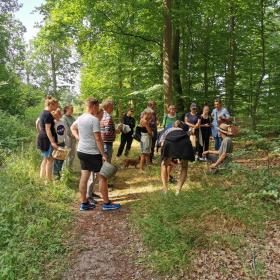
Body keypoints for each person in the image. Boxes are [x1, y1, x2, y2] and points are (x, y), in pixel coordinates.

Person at [71, 98, 120, 211]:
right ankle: (107, 203)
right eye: (98, 107)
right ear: (93, 106)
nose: (98, 109)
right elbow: (98, 138)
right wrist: (103, 154)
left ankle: (84, 203)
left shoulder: (80, 117)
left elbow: (72, 128)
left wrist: (79, 139)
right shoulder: (93, 120)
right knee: (103, 177)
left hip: (81, 151)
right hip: (92, 152)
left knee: (84, 176)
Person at [160, 120, 195, 195]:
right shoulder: (184, 131)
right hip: (185, 143)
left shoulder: (167, 130)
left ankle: (165, 189)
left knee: (164, 165)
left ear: (173, 126)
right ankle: (178, 190)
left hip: (169, 143)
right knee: (184, 167)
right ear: (181, 127)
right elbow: (192, 138)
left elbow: (162, 143)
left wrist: (167, 157)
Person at [37, 96, 59, 181]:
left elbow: (38, 124)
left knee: (45, 159)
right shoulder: (48, 114)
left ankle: (42, 179)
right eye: (56, 105)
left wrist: (40, 133)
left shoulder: (43, 113)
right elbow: (48, 129)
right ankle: (49, 181)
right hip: (47, 140)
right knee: (50, 160)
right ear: (52, 104)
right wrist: (53, 142)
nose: (57, 107)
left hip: (43, 138)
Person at [100, 99, 122, 163]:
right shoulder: (108, 117)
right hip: (106, 143)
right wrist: (117, 130)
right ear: (108, 107)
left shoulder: (101, 115)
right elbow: (108, 132)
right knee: (106, 163)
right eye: (112, 106)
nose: (113, 108)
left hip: (101, 142)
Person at [53, 108, 66, 179]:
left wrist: (65, 141)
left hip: (62, 143)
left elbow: (65, 132)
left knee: (61, 159)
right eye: (57, 114)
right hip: (56, 144)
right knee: (56, 160)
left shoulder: (62, 122)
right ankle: (56, 175)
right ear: (55, 115)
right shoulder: (53, 122)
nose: (59, 115)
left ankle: (59, 173)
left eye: (60, 114)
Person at [62, 105, 76, 170]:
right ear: (66, 110)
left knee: (73, 153)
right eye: (71, 109)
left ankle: (70, 168)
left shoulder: (73, 118)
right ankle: (65, 170)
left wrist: (76, 134)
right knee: (67, 153)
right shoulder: (64, 118)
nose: (72, 111)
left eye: (72, 109)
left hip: (73, 138)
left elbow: (76, 126)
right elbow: (66, 129)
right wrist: (72, 135)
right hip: (67, 138)